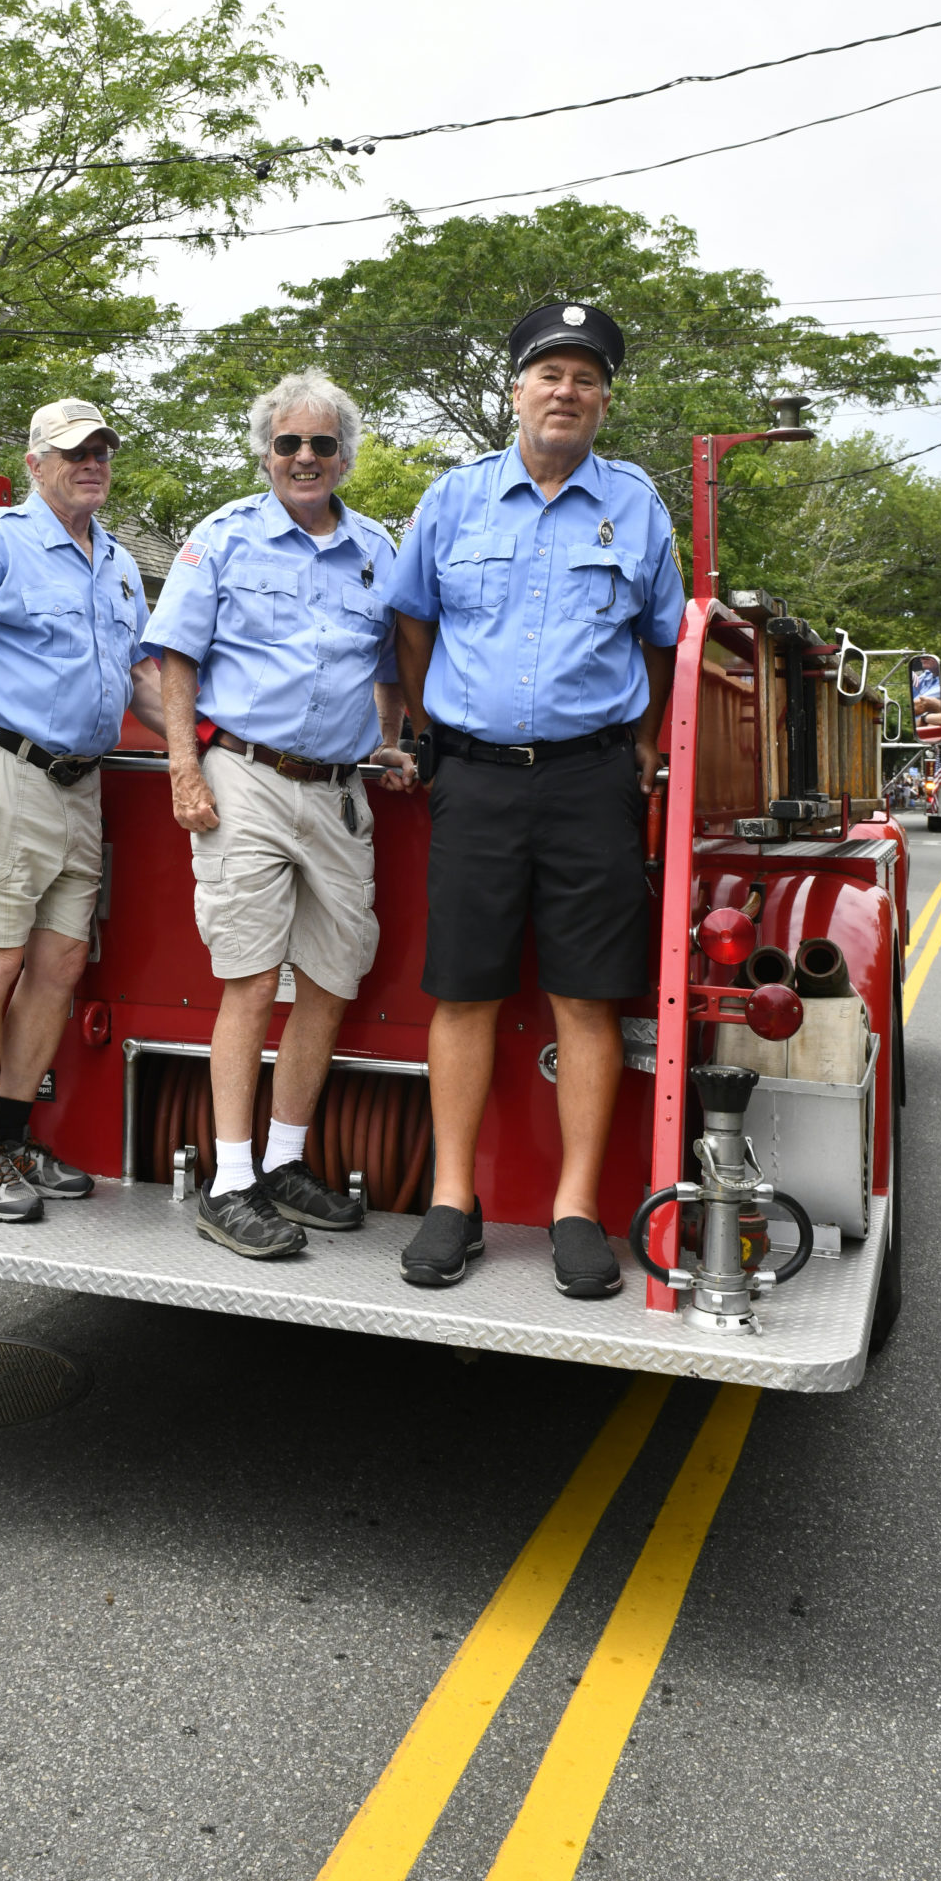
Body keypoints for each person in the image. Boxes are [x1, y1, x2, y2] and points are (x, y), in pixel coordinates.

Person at [388, 301, 684, 1299]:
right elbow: (414, 623)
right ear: (515, 391)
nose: (567, 391)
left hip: (590, 779)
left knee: (586, 998)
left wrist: (643, 742)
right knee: (463, 989)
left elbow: (660, 638)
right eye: (549, 374)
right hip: (473, 776)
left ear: (605, 399)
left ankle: (574, 1209)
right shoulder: (455, 499)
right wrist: (432, 734)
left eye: (586, 378)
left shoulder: (638, 508)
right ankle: (453, 1199)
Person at [148, 368, 417, 1260]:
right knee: (252, 981)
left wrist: (387, 739)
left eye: (321, 444)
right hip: (246, 781)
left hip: (339, 790)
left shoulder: (379, 550)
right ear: (266, 451)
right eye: (287, 443)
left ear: (344, 456)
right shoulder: (221, 537)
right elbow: (173, 661)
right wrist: (185, 770)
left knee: (335, 981)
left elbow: (389, 664)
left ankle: (284, 1162)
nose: (304, 457)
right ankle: (229, 1186)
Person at [0, 396, 166, 1223]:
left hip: (79, 786)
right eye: (71, 451)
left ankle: (14, 1136)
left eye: (100, 449)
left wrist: (213, 743)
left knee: (56, 968)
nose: (89, 461)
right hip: (3, 773)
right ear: (34, 463)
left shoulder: (120, 563)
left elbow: (139, 681)